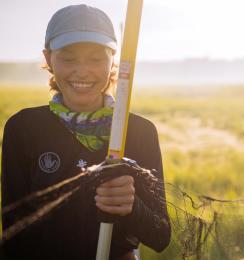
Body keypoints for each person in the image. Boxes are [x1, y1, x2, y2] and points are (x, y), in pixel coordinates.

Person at [1, 4, 171, 259]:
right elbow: (13, 234)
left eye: (95, 58)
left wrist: (132, 207)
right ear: (48, 58)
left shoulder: (138, 131)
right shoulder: (24, 128)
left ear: (113, 59)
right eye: (68, 58)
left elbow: (161, 236)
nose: (82, 71)